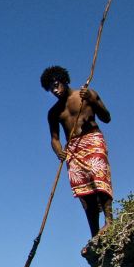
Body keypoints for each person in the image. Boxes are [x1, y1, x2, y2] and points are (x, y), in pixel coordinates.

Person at [41, 65, 113, 239]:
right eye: (51, 89)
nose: (55, 90)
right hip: (73, 149)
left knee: (99, 177)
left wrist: (92, 100)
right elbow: (55, 139)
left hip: (92, 139)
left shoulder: (86, 95)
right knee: (84, 193)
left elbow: (107, 117)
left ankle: (110, 221)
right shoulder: (54, 112)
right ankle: (94, 233)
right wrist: (59, 152)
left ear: (65, 81)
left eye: (57, 85)